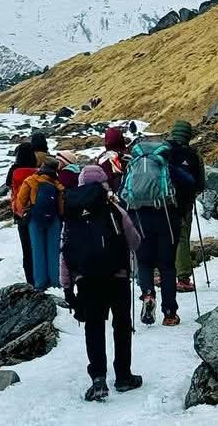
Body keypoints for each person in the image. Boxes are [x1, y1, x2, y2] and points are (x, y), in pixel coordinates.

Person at [62, 164, 143, 402]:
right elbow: (135, 241)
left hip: (86, 280)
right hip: (117, 276)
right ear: (104, 184)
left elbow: (64, 253)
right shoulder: (114, 209)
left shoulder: (72, 213)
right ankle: (123, 376)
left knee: (94, 327)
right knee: (121, 326)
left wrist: (67, 288)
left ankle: (98, 379)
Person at [121, 135, 181, 326]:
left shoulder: (133, 166)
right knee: (167, 266)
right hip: (165, 216)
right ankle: (170, 313)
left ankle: (147, 294)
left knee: (144, 261)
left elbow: (122, 193)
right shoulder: (165, 166)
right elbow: (188, 182)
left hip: (139, 217)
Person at [167, 120, 206, 293]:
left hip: (164, 202)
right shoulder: (193, 155)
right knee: (182, 238)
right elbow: (200, 184)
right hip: (185, 204)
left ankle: (162, 273)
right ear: (188, 135)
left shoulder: (164, 152)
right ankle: (183, 278)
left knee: (165, 236)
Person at [16, 155, 64, 290]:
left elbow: (21, 200)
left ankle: (40, 283)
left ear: (42, 167)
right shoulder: (57, 184)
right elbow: (61, 209)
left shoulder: (31, 181)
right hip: (53, 219)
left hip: (35, 219)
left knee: (37, 250)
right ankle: (55, 281)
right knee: (53, 250)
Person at [6, 142, 39, 284]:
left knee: (26, 250)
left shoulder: (13, 172)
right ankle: (40, 279)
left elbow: (9, 187)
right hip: (36, 212)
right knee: (37, 248)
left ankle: (30, 281)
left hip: (20, 214)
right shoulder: (37, 172)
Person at [98, 125, 129, 193]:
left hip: (110, 197)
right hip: (130, 194)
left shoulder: (102, 159)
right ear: (121, 140)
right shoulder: (129, 156)